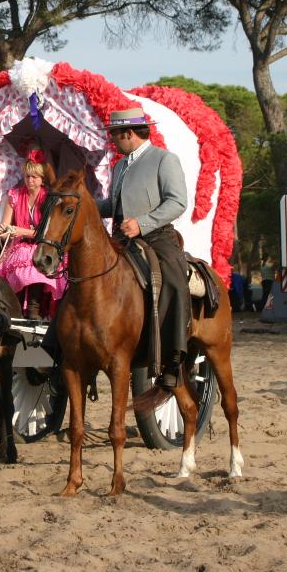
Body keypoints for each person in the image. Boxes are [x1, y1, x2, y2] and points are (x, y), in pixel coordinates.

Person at [96, 107, 190, 389]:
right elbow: (114, 205)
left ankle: (174, 357)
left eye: (114, 134)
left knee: (174, 281)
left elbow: (177, 202)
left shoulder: (164, 159)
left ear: (128, 133)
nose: (112, 140)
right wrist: (83, 204)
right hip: (121, 239)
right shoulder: (120, 166)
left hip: (157, 236)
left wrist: (142, 223)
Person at [0, 150, 66, 319]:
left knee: (35, 259)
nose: (30, 180)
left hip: (44, 244)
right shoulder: (14, 195)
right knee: (18, 258)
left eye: (34, 177)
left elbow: (48, 232)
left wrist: (22, 231)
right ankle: (16, 307)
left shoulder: (49, 198)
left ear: (42, 179)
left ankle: (34, 308)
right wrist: (3, 232)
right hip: (18, 244)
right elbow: (5, 229)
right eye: (27, 176)